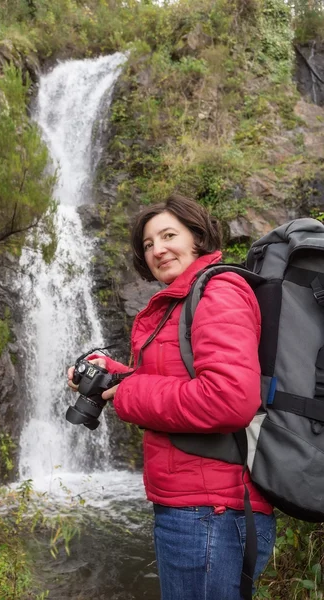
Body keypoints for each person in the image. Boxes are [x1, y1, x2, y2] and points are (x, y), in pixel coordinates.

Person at [68, 193, 276, 600]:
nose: (157, 249)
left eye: (168, 235)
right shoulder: (181, 301)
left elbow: (230, 399)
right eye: (148, 244)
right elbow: (180, 383)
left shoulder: (218, 292)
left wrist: (127, 391)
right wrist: (114, 376)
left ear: (197, 238)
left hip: (211, 510)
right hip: (196, 506)